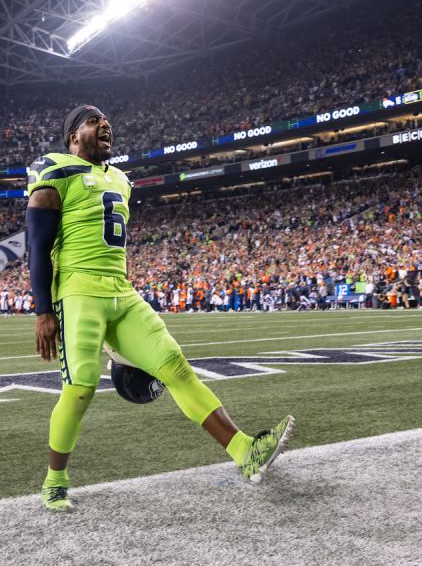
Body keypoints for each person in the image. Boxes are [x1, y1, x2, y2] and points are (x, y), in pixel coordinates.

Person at [25, 104, 294, 513]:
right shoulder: (55, 170)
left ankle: (245, 452)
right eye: (94, 120)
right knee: (80, 387)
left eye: (107, 121)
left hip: (122, 290)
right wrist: (43, 310)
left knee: (174, 364)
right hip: (78, 291)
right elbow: (38, 247)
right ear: (72, 136)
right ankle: (54, 482)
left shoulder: (120, 179)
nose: (105, 125)